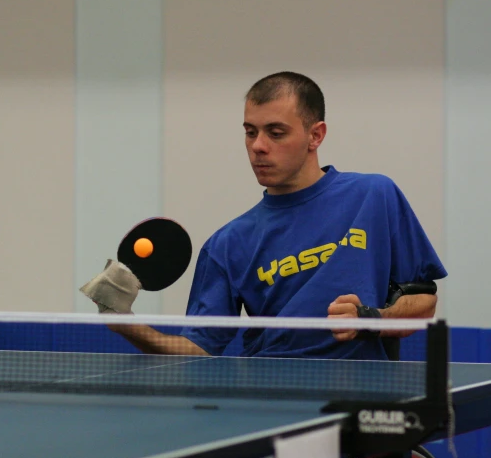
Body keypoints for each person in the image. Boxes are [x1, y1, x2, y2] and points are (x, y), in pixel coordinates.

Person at [80, 71, 447, 361]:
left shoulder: (374, 196)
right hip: (272, 395)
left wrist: (371, 320)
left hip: (362, 397)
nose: (258, 146)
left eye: (275, 133)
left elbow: (424, 304)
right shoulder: (227, 244)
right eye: (250, 132)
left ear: (315, 135)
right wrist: (124, 322)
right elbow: (201, 349)